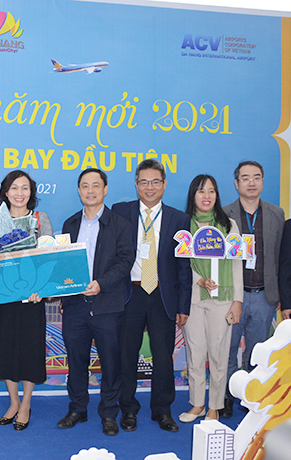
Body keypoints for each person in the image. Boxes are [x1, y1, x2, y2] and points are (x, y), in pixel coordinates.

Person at [111, 159, 192, 433]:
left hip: (162, 295)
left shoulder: (179, 219)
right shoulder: (120, 212)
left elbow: (184, 268)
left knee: (162, 356)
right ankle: (128, 410)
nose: (149, 187)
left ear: (164, 185)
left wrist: (183, 305)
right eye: (144, 182)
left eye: (155, 181)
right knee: (127, 355)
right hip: (129, 293)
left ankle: (162, 410)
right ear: (136, 185)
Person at [58, 168, 134, 436]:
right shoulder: (69, 225)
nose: (90, 190)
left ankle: (109, 412)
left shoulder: (121, 224)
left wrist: (101, 283)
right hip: (75, 305)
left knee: (111, 363)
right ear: (79, 191)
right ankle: (78, 408)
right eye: (84, 186)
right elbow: (62, 264)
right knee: (75, 360)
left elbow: (126, 261)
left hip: (108, 305)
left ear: (105, 189)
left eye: (95, 185)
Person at [0, 170, 51, 431]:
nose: (19, 193)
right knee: (6, 350)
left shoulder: (40, 219)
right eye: (14, 188)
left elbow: (48, 256)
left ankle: (26, 404)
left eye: (25, 188)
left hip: (31, 298)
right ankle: (13, 402)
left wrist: (40, 288)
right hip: (4, 296)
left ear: (31, 192)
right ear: (6, 192)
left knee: (29, 351)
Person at [222, 161, 285, 417]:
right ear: (236, 183)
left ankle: (250, 397)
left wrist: (281, 294)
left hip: (263, 295)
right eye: (245, 178)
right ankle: (226, 396)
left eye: (256, 177)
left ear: (262, 181)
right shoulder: (223, 215)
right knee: (227, 349)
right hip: (231, 296)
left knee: (256, 352)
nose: (251, 182)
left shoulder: (276, 214)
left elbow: (281, 256)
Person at [179, 174, 242, 423]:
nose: (207, 196)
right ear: (193, 195)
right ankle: (197, 404)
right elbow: (180, 263)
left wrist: (237, 300)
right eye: (201, 191)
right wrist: (199, 279)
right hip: (193, 299)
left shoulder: (229, 225)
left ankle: (214, 406)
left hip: (223, 299)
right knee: (195, 353)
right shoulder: (183, 224)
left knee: (219, 353)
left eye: (212, 191)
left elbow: (237, 264)